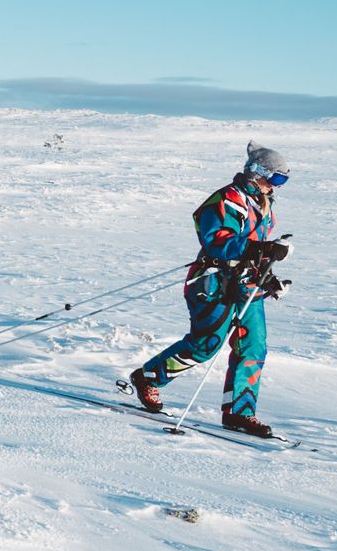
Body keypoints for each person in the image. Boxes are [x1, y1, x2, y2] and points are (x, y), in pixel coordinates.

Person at [126, 142, 294, 438]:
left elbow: (255, 251)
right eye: (276, 178)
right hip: (214, 282)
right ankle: (149, 377)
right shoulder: (226, 200)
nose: (276, 186)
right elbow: (216, 239)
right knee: (206, 345)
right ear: (257, 172)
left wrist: (269, 278)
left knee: (253, 347)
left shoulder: (263, 204)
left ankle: (239, 413)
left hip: (247, 285)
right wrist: (263, 248)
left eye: (282, 181)